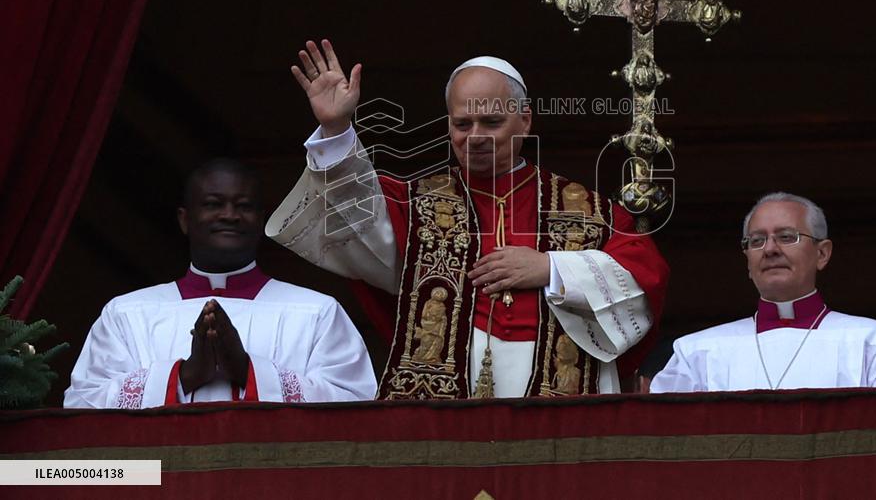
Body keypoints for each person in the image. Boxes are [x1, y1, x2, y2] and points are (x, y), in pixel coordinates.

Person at [266, 39, 670, 399]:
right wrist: (336, 129)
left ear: (525, 120)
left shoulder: (587, 210)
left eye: (491, 122)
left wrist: (551, 268)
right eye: (462, 124)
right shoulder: (415, 204)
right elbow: (354, 224)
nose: (475, 136)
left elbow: (644, 280)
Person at [65, 158, 377, 408]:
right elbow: (82, 407)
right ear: (185, 220)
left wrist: (247, 370)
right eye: (214, 203)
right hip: (158, 481)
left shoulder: (318, 312)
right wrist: (183, 376)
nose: (230, 214)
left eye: (243, 205)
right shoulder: (125, 314)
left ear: (261, 218)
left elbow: (355, 406)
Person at [650, 192, 876, 392]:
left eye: (787, 237)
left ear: (822, 253)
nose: (770, 249)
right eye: (757, 240)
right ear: (747, 260)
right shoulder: (696, 352)